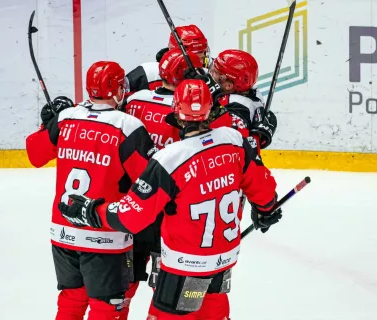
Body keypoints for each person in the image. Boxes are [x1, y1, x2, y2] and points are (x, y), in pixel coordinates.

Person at [58, 79, 282, 319]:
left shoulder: (170, 159)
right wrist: (266, 208)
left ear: (176, 112)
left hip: (184, 269)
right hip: (222, 263)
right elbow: (263, 189)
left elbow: (129, 217)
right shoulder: (234, 140)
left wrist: (91, 210)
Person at [25, 61, 157, 320]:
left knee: (71, 302)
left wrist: (48, 123)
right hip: (105, 236)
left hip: (63, 232)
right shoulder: (127, 126)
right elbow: (151, 179)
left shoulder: (66, 118)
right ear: (119, 90)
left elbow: (34, 154)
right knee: (107, 309)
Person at [208, 49, 277, 151]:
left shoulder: (237, 106)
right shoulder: (252, 93)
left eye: (215, 72)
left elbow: (232, 140)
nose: (210, 72)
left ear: (228, 85)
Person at [126, 24, 211, 93]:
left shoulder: (211, 72)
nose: (201, 64)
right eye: (196, 59)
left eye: (203, 57)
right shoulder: (147, 73)